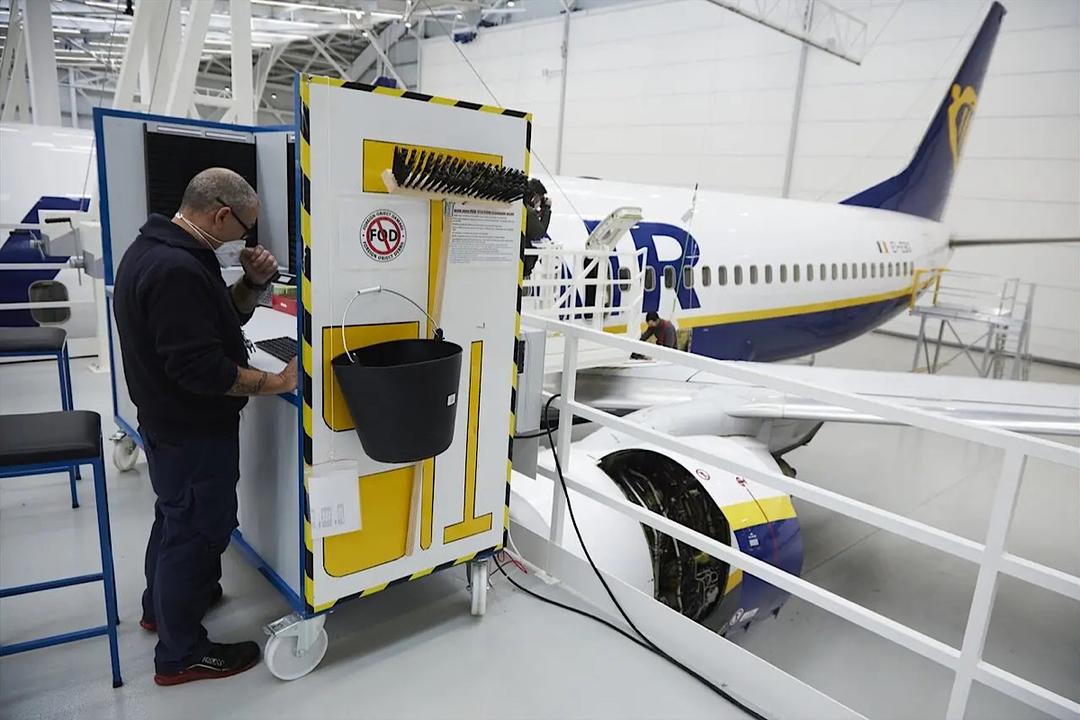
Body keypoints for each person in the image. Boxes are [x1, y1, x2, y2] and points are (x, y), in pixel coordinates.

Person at [113, 168, 297, 686]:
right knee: (198, 530)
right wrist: (276, 382)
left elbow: (217, 323)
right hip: (192, 429)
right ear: (220, 213)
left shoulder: (161, 251)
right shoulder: (176, 269)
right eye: (244, 228)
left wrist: (252, 283)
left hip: (170, 425)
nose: (245, 238)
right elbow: (202, 370)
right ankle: (181, 653)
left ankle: (163, 607)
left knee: (175, 518)